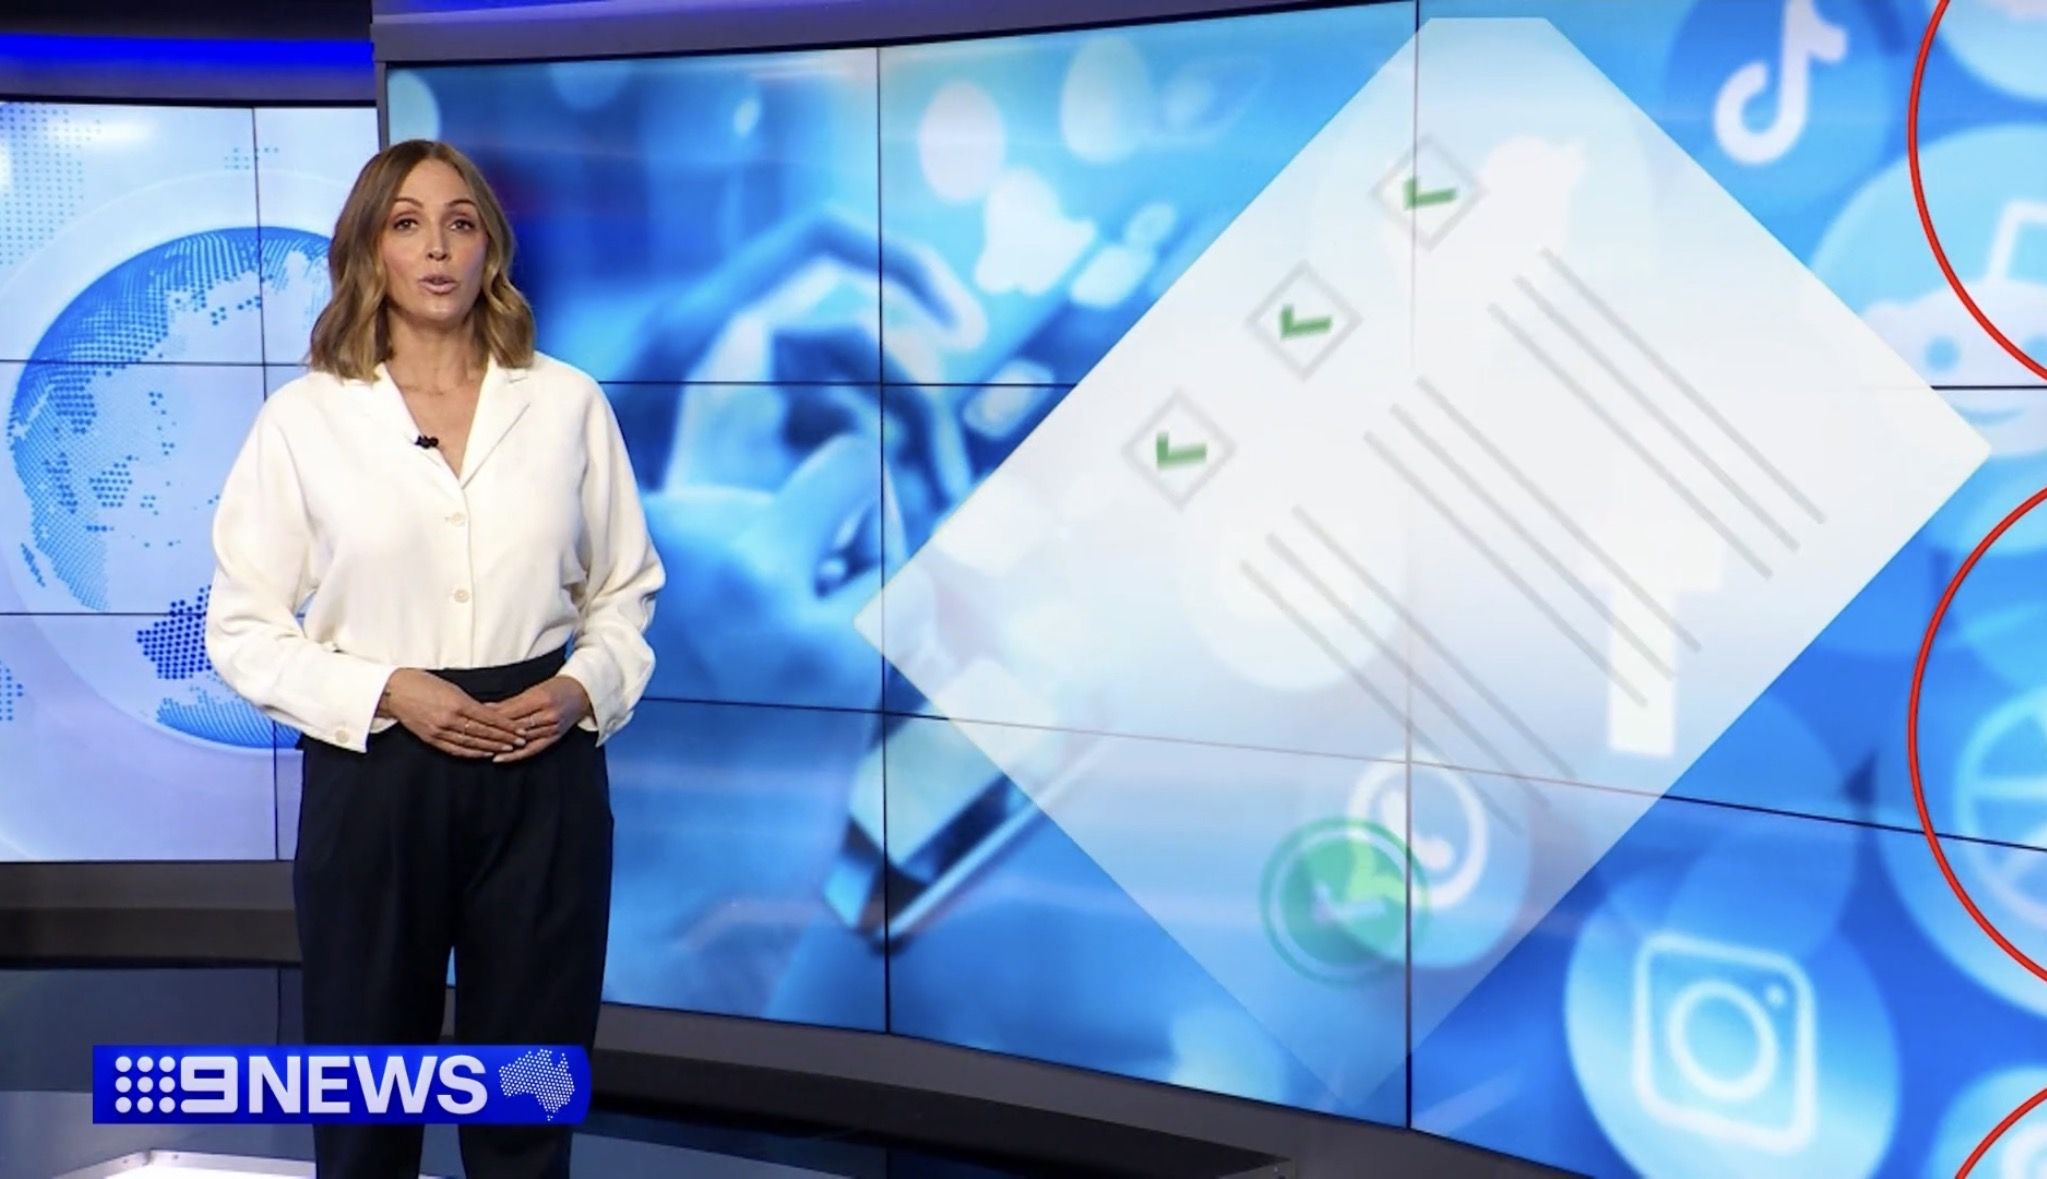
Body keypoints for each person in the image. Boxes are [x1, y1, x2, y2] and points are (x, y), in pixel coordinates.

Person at [202, 138, 666, 1179]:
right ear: (370, 250)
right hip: (377, 770)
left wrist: (581, 689)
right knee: (366, 1094)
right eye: (407, 225)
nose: (438, 248)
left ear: (490, 247)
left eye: (460, 223)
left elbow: (624, 591)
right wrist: (385, 691)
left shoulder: (566, 403)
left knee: (527, 1092)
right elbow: (241, 626)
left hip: (541, 766)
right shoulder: (305, 419)